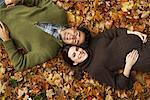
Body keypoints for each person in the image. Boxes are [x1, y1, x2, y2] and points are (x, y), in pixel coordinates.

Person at [0, 0, 86, 71]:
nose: (72, 37)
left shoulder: (49, 51)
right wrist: (19, 1)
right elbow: (38, 1)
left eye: (75, 41)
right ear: (74, 28)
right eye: (76, 34)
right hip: (4, 4)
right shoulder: (59, 14)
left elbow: (20, 64)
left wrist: (6, 40)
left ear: (71, 45)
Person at [62, 28, 150, 89]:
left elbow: (114, 32)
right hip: (142, 56)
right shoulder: (94, 70)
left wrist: (132, 33)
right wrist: (128, 66)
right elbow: (118, 84)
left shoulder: (93, 42)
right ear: (74, 63)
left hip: (142, 39)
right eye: (74, 55)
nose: (79, 52)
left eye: (77, 49)